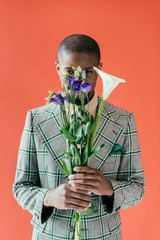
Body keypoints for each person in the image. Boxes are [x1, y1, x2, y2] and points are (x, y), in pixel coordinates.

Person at [12, 34, 145, 239]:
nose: (79, 80)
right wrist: (49, 197)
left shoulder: (123, 120)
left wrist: (109, 188)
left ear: (99, 69)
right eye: (69, 72)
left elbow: (138, 187)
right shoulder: (36, 119)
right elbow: (20, 188)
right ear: (57, 68)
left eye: (89, 72)